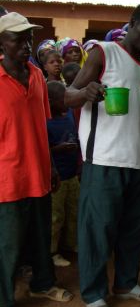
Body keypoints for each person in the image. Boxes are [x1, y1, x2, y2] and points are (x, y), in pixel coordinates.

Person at [64, 3, 140, 307]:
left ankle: (126, 284)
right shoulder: (103, 53)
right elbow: (68, 94)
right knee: (98, 229)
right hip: (105, 158)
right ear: (131, 23)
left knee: (133, 230)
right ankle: (94, 294)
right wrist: (86, 92)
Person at [0, 12, 73, 307]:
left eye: (28, 38)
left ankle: (42, 284)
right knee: (8, 243)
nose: (25, 45)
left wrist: (52, 166)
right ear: (1, 43)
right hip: (8, 179)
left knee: (41, 237)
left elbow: (42, 128)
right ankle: (3, 301)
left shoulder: (37, 76)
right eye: (18, 38)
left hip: (39, 172)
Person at [47, 81, 80, 267]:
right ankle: (53, 251)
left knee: (73, 211)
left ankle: (70, 244)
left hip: (72, 173)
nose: (66, 102)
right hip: (56, 176)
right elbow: (43, 149)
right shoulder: (45, 119)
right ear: (50, 100)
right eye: (62, 99)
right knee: (55, 216)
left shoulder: (68, 114)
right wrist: (59, 149)